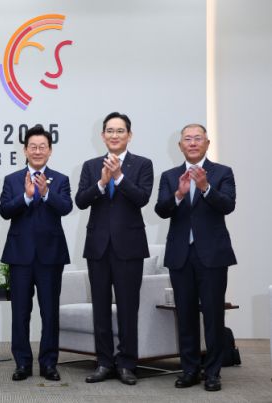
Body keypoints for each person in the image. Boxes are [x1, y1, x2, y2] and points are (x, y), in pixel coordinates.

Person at [155, 123, 236, 392]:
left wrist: (206, 188)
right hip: (180, 256)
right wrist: (179, 194)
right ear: (180, 146)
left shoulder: (222, 172)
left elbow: (228, 205)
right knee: (186, 315)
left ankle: (212, 373)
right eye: (187, 139)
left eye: (197, 138)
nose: (192, 143)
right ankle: (189, 370)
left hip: (212, 256)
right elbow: (161, 210)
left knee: (213, 316)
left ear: (207, 143)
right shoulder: (169, 176)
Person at [75, 112, 153, 386]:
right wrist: (101, 182)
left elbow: (142, 198)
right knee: (100, 308)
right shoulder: (90, 166)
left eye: (120, 131)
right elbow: (81, 201)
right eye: (110, 130)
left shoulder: (142, 164)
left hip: (129, 248)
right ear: (102, 135)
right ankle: (104, 363)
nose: (115, 135)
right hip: (98, 247)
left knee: (128, 308)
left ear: (129, 135)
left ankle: (127, 364)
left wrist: (118, 177)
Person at [0, 124, 72, 382]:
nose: (38, 151)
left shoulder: (61, 179)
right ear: (25, 150)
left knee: (49, 313)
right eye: (33, 147)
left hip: (51, 256)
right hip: (20, 255)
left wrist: (47, 193)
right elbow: (5, 210)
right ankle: (22, 363)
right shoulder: (12, 179)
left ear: (50, 151)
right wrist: (27, 196)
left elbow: (66, 208)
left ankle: (49, 363)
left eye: (43, 147)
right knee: (20, 312)